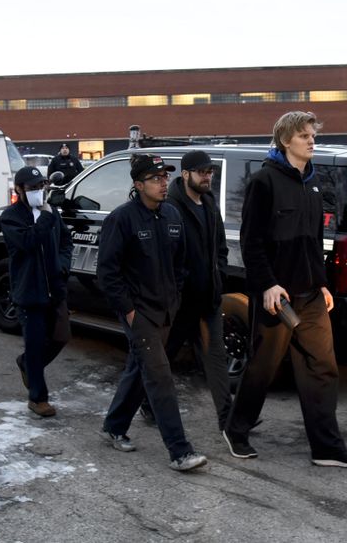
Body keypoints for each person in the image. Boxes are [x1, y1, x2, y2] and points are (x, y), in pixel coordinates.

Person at [222, 111, 347, 468]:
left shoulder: (313, 184)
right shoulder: (264, 182)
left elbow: (314, 241)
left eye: (313, 136)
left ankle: (326, 448)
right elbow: (251, 241)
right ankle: (236, 429)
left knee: (322, 368)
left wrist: (322, 282)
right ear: (286, 140)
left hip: (311, 294)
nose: (312, 141)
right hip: (277, 296)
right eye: (305, 136)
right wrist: (268, 284)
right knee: (262, 367)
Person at [96, 154, 208, 472]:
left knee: (140, 369)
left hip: (166, 310)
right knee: (160, 376)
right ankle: (180, 451)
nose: (163, 183)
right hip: (139, 313)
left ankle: (114, 426)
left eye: (164, 177)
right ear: (137, 184)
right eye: (155, 178)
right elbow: (108, 273)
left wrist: (175, 298)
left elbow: (181, 263)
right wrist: (129, 312)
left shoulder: (171, 215)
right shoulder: (122, 219)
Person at [163, 150, 231, 430]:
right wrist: (177, 290)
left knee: (216, 357)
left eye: (210, 172)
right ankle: (144, 403)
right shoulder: (170, 207)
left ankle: (228, 419)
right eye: (202, 172)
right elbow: (165, 256)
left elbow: (221, 248)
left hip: (208, 297)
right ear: (186, 174)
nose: (207, 177)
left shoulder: (210, 204)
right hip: (180, 303)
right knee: (163, 356)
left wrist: (218, 276)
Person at [0, 166, 73, 418]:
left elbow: (65, 241)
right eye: (32, 188)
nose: (38, 192)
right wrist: (45, 217)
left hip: (55, 286)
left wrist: (63, 266)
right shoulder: (10, 217)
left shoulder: (51, 213)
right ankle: (38, 398)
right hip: (29, 290)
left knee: (61, 335)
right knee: (34, 342)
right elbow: (28, 242)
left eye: (40, 186)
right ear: (19, 190)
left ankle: (28, 365)